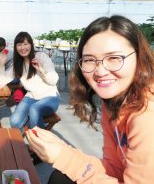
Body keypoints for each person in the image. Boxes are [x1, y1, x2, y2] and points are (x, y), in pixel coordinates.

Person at [27, 15, 154, 184]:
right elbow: (114, 168)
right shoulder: (112, 103)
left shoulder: (147, 115)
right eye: (89, 60)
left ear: (139, 58)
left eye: (114, 58)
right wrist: (63, 150)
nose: (100, 71)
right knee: (59, 177)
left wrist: (62, 157)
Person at [0, 31, 60, 129]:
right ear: (15, 47)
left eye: (26, 44)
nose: (23, 48)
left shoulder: (41, 56)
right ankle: (29, 133)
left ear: (31, 45)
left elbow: (53, 80)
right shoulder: (17, 64)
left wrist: (40, 69)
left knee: (34, 109)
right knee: (14, 122)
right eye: (19, 45)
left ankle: (39, 141)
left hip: (50, 97)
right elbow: (2, 81)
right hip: (31, 97)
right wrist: (1, 64)